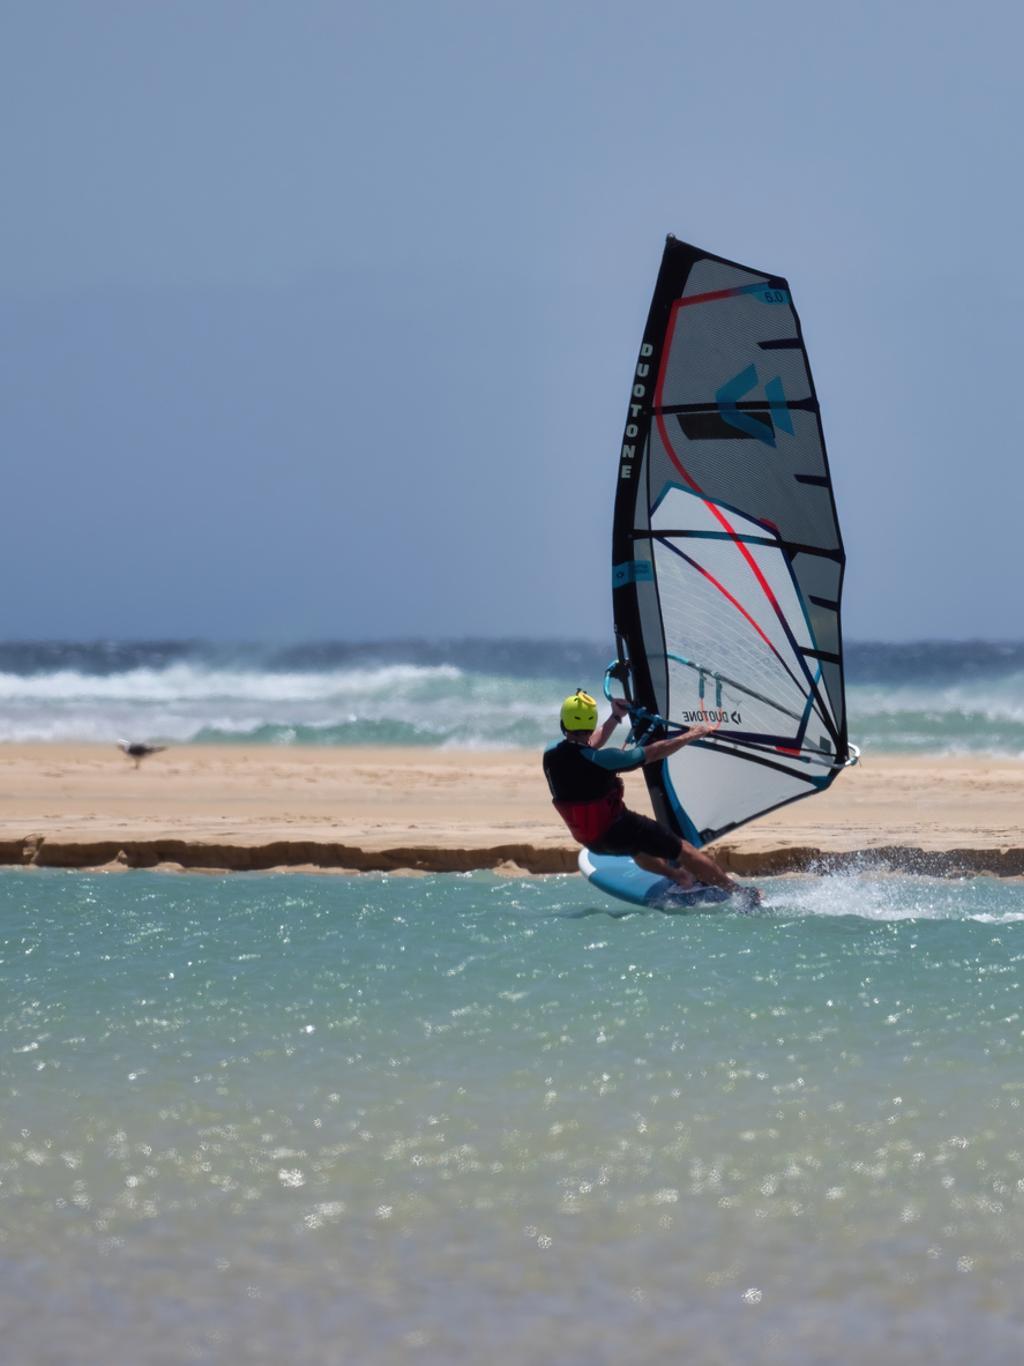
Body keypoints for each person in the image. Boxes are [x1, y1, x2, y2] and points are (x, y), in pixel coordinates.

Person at [543, 689, 751, 899]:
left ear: (563, 724)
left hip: (589, 840)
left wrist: (616, 717)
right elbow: (653, 752)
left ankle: (678, 876)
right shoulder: (606, 759)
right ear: (590, 725)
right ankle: (741, 893)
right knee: (684, 851)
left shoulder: (550, 754)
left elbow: (585, 746)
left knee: (638, 848)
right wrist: (692, 734)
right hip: (617, 829)